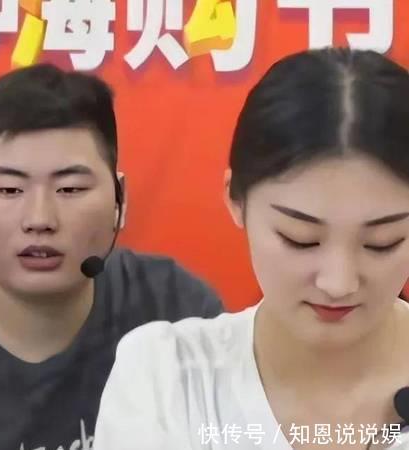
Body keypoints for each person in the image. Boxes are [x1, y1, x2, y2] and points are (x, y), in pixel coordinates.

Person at [94, 48, 409, 450]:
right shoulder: (168, 376)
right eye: (300, 238)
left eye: (382, 243)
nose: (338, 283)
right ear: (236, 199)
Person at [0, 64, 223, 450]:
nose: (40, 219)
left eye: (70, 189)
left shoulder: (178, 314)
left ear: (119, 200)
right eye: (9, 190)